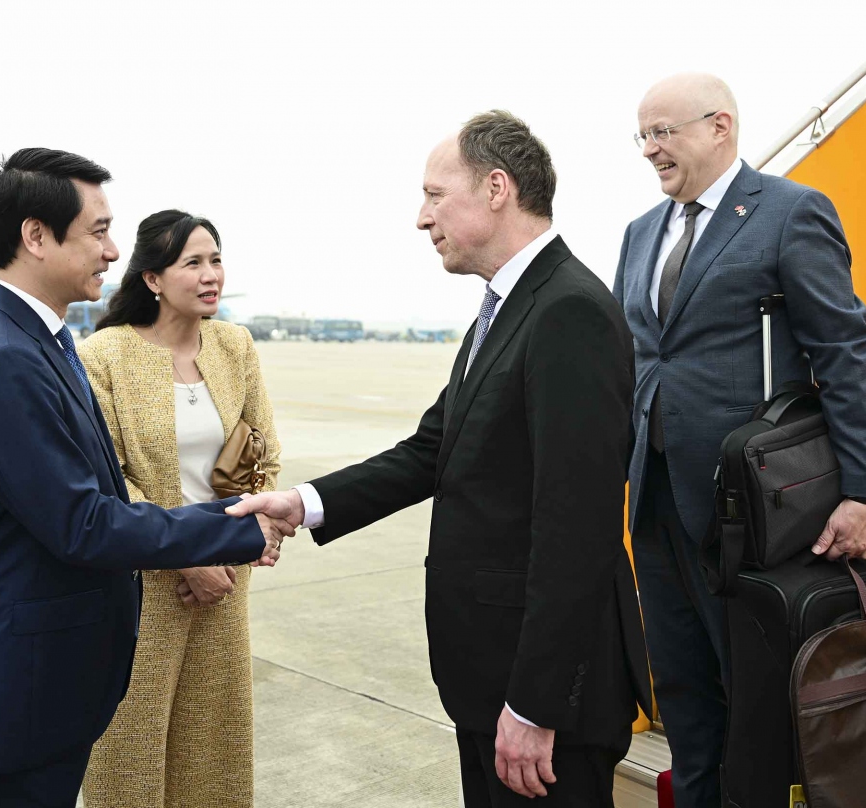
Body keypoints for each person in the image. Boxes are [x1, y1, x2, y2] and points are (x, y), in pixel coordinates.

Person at [230, 111, 651, 807]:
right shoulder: (508, 308)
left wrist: (534, 706)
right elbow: (433, 451)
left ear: (495, 188)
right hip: (490, 680)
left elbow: (579, 528)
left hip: (544, 702)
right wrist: (301, 504)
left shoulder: (568, 311)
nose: (421, 218)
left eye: (434, 194)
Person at [0, 148, 289, 808]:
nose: (113, 250)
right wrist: (231, 530)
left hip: (48, 685)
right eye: (97, 231)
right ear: (36, 236)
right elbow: (83, 522)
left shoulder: (43, 340)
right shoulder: (5, 358)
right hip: (16, 695)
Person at [612, 73, 866, 808]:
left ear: (720, 127)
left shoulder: (790, 213)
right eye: (642, 134)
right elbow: (641, 360)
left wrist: (864, 490)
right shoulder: (641, 233)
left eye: (662, 132)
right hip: (658, 501)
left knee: (754, 703)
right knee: (682, 690)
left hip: (756, 509)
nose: (649, 149)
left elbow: (841, 350)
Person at [78, 210, 281, 808]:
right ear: (152, 279)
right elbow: (107, 478)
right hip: (141, 584)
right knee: (130, 749)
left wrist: (241, 541)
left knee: (215, 744)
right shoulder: (104, 355)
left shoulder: (234, 344)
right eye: (193, 262)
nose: (211, 273)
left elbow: (262, 453)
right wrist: (186, 556)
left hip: (224, 579)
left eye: (216, 259)